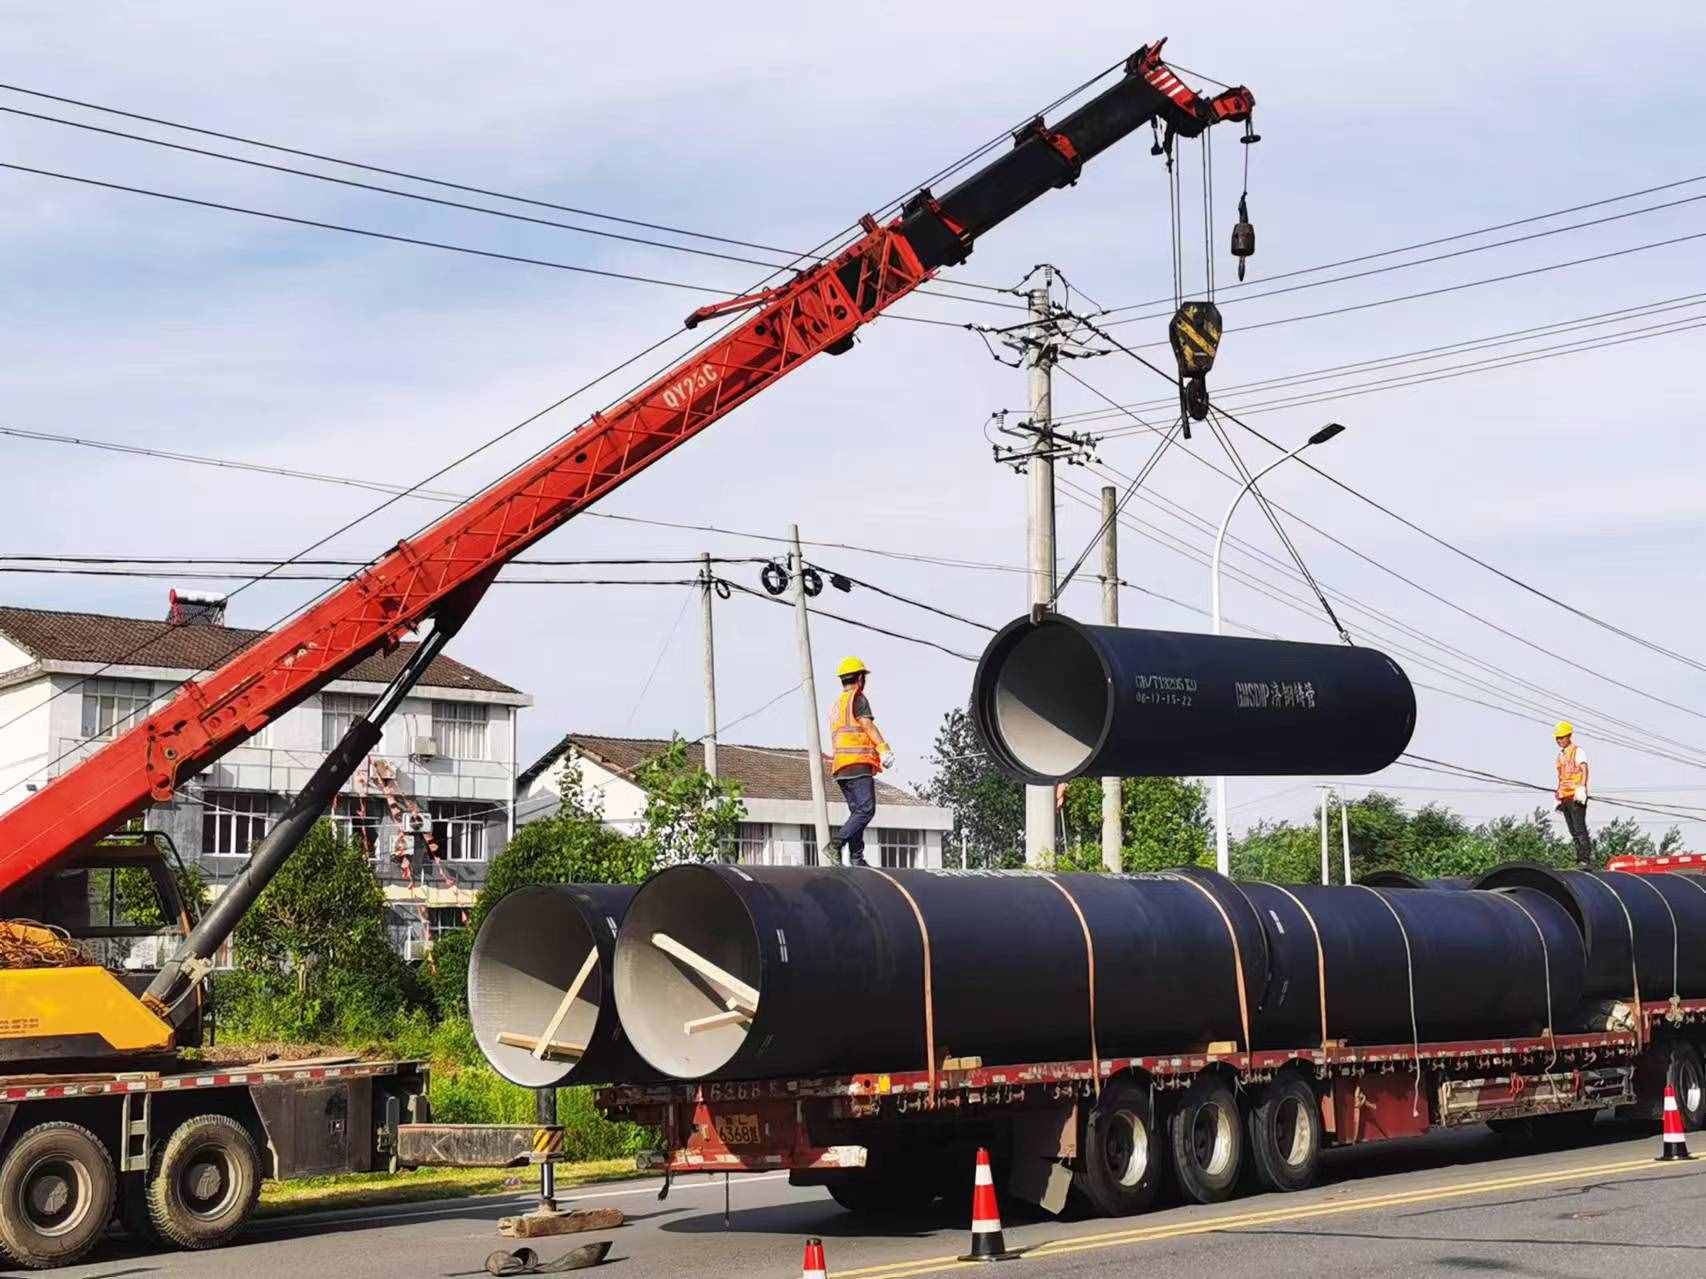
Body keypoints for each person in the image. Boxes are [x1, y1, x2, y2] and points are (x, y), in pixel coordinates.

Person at [825, 657, 895, 867]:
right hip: (857, 763)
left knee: (858, 812)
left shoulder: (837, 705)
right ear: (860, 678)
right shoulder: (858, 698)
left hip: (841, 768)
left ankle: (856, 857)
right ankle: (836, 844)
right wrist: (884, 749)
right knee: (866, 810)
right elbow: (867, 726)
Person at [1554, 721, 1593, 866]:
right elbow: (1561, 777)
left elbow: (1584, 769)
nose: (1559, 740)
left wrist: (1582, 787)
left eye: (1562, 737)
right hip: (1565, 796)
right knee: (1572, 831)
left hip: (1576, 796)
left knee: (1579, 828)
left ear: (1569, 736)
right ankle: (1579, 858)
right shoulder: (1560, 756)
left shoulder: (1577, 751)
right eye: (1557, 738)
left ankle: (1585, 860)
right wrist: (1558, 794)